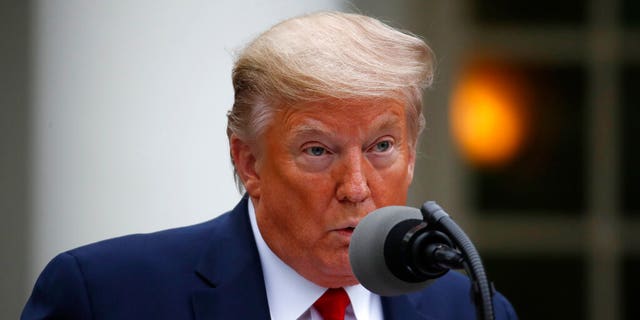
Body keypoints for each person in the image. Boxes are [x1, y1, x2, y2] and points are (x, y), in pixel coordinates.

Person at [22, 11, 517, 319]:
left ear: (411, 156)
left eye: (382, 146)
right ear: (248, 162)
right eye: (318, 151)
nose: (356, 187)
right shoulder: (105, 297)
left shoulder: (470, 308)